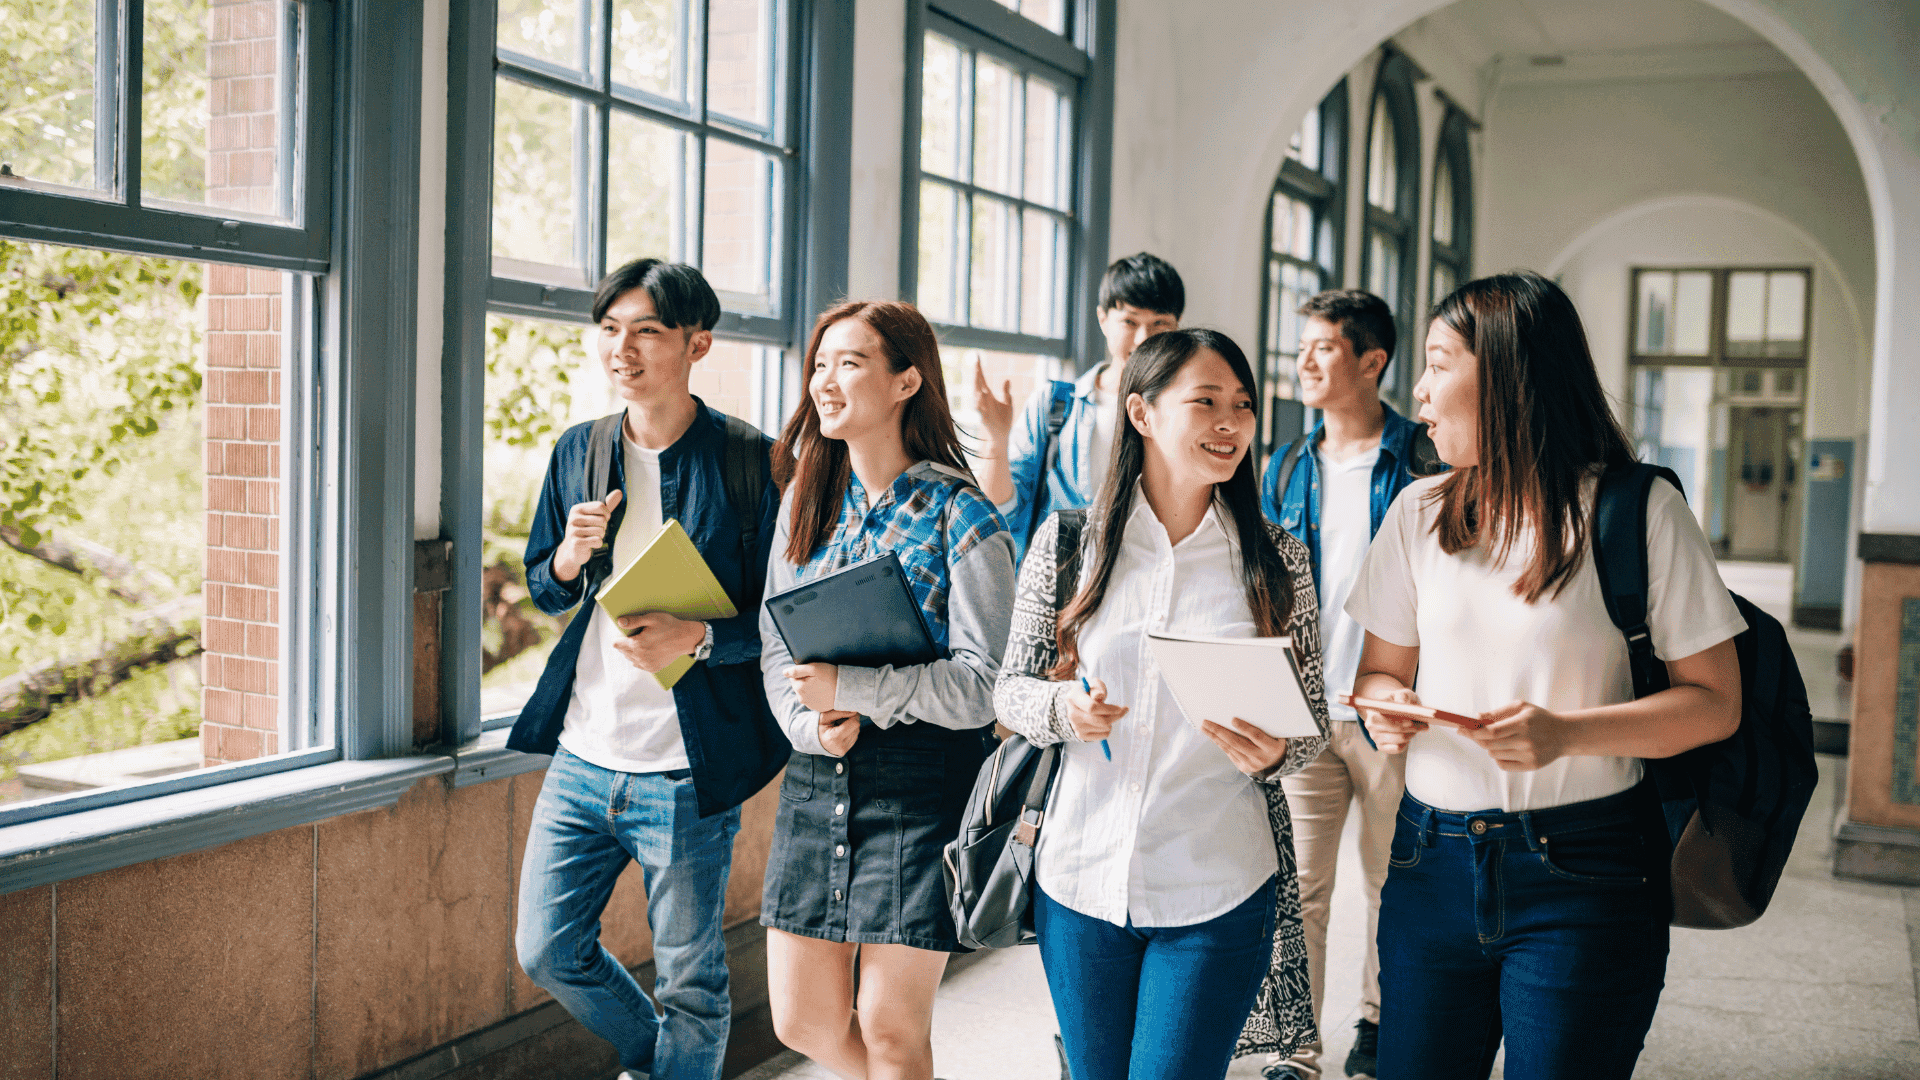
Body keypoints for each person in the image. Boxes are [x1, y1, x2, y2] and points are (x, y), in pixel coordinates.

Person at [1345, 272, 1746, 1080]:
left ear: (1506, 374)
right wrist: (1385, 712)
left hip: (1587, 870)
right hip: (1431, 860)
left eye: (1436, 363)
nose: (1417, 392)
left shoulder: (1638, 512)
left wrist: (1566, 734)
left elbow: (1715, 704)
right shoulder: (1418, 513)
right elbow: (1381, 674)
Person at [993, 327, 1331, 1080]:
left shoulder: (1281, 562)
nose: (1230, 423)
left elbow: (1310, 726)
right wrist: (1064, 713)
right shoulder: (1069, 543)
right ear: (1142, 414)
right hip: (1078, 879)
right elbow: (1010, 689)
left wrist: (1279, 752)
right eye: (1205, 402)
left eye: (1241, 406)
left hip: (1217, 884)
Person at [509, 259, 789, 1080]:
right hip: (584, 757)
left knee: (692, 985)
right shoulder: (580, 450)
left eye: (646, 331)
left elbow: (784, 621)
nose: (620, 349)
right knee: (547, 949)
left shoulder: (752, 463)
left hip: (683, 769)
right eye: (609, 329)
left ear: (697, 343)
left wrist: (699, 639)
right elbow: (542, 585)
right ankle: (661, 1065)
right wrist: (569, 555)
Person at [757, 300, 1016, 1080]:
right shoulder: (806, 497)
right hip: (815, 781)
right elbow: (775, 645)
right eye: (820, 364)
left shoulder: (961, 514)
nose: (825, 381)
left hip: (920, 789)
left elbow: (987, 687)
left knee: (892, 1030)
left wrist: (857, 689)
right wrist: (811, 723)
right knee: (802, 1020)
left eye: (850, 363)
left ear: (907, 380)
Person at [1258, 290, 1440, 1080]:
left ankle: (1375, 1021)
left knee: (1390, 882)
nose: (1303, 360)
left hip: (1390, 711)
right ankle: (1297, 1043)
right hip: (1305, 709)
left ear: (1372, 361)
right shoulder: (1287, 464)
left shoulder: (1422, 459)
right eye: (1301, 344)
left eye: (1324, 346)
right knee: (1298, 889)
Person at [973, 252, 1185, 559]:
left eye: (1159, 323)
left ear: (1177, 327)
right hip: (1061, 589)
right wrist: (996, 439)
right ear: (1103, 319)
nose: (1143, 338)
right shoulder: (1056, 405)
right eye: (1129, 321)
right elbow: (1003, 513)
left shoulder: (1187, 412)